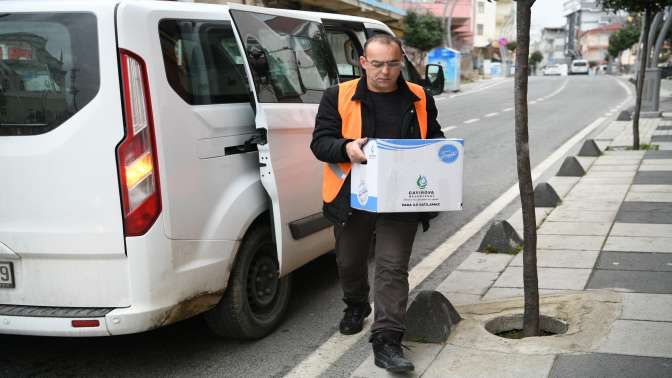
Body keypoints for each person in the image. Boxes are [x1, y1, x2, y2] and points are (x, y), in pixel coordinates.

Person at [310, 34, 444, 373]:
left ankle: (387, 340)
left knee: (392, 267)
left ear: (401, 62)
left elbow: (436, 137)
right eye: (378, 64)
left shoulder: (419, 97)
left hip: (401, 198)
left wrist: (444, 157)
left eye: (393, 64)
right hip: (353, 198)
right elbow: (320, 144)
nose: (386, 71)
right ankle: (356, 305)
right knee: (350, 261)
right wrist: (346, 149)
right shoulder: (337, 96)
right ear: (363, 63)